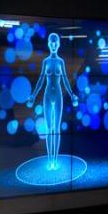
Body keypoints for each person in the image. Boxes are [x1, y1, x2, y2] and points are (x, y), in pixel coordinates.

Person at [28, 31, 79, 171]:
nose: (54, 44)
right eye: (52, 42)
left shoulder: (60, 62)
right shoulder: (46, 62)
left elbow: (65, 81)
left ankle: (54, 161)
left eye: (56, 42)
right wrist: (33, 95)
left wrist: (72, 94)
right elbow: (40, 81)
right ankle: (50, 160)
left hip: (58, 96)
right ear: (49, 44)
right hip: (47, 96)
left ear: (59, 44)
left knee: (56, 129)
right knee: (49, 128)